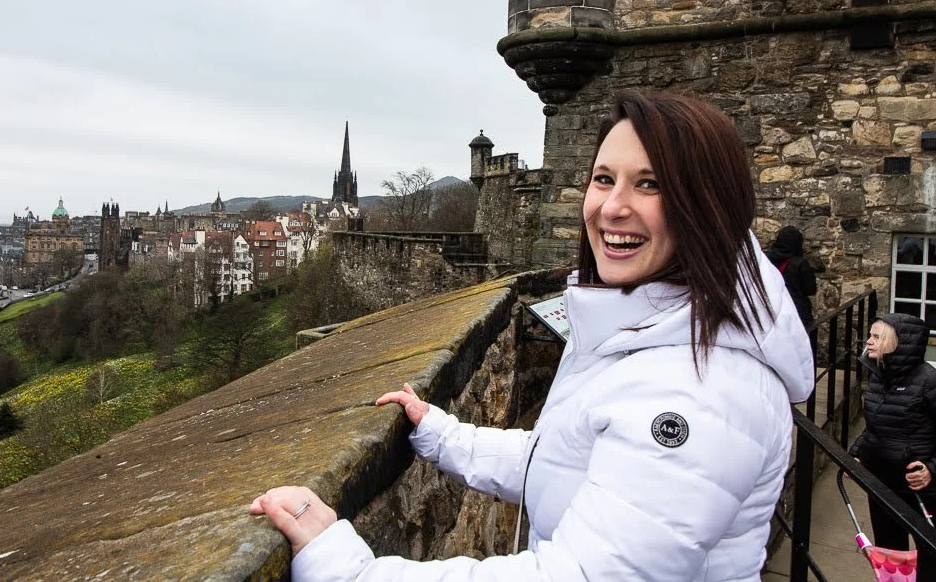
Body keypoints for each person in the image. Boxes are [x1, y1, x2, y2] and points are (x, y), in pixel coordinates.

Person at [250, 91, 815, 580]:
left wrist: (352, 571)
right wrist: (444, 437)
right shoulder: (651, 328)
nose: (613, 207)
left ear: (708, 207)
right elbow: (567, 463)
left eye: (650, 184)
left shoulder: (703, 389)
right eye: (603, 178)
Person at [849, 313, 936, 582]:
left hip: (927, 493)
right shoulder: (878, 377)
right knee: (892, 560)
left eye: (876, 336)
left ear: (899, 342)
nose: (868, 341)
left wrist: (932, 469)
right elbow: (878, 428)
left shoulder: (932, 382)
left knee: (931, 566)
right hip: (884, 488)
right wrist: (857, 454)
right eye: (869, 335)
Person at [765, 225, 817, 330]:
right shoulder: (801, 263)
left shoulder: (766, 260)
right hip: (797, 311)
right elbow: (810, 290)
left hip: (773, 310)